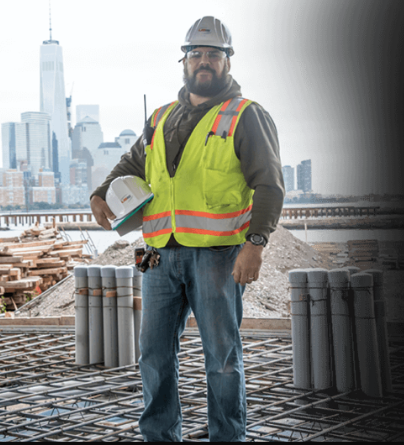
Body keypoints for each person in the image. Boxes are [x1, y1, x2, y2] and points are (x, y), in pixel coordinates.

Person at [90, 16, 285, 442]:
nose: (204, 61)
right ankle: (160, 437)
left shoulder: (245, 115)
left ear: (227, 63)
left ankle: (227, 437)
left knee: (222, 359)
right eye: (196, 53)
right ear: (184, 60)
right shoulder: (160, 117)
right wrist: (101, 193)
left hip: (218, 255)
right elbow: (132, 165)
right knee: (154, 356)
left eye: (213, 54)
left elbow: (269, 184)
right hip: (158, 255)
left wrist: (256, 244)